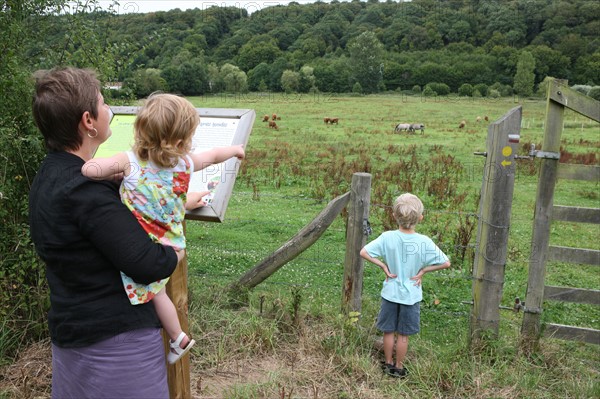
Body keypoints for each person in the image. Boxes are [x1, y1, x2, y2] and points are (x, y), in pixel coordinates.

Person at [30, 67, 183, 398]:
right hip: (115, 349)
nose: (109, 109)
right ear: (89, 121)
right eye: (103, 102)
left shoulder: (51, 174)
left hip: (73, 334)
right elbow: (147, 263)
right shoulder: (85, 192)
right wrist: (174, 252)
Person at [81, 92, 245, 363]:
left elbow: (91, 171)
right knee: (159, 293)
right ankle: (178, 336)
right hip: (172, 242)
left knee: (155, 292)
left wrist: (103, 169)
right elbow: (214, 155)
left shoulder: (129, 161)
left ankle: (178, 337)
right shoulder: (185, 163)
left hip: (144, 245)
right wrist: (235, 150)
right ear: (181, 141)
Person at [360, 193, 450, 378]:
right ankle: (399, 367)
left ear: (394, 216)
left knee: (388, 331)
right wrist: (423, 271)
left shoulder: (387, 237)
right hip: (411, 295)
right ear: (420, 218)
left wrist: (383, 265)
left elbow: (364, 252)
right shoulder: (424, 241)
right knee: (403, 335)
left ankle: (388, 364)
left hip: (390, 292)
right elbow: (445, 262)